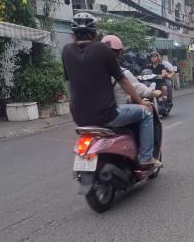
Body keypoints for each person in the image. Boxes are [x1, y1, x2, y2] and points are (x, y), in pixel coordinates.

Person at [62, 13, 161, 169]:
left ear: (73, 34)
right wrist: (141, 102)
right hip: (107, 115)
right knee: (146, 113)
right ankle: (146, 158)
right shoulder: (102, 50)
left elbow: (69, 81)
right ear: (94, 33)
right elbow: (123, 81)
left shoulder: (66, 51)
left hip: (79, 118)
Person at [101, 35, 162, 102]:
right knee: (146, 107)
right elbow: (139, 88)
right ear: (120, 53)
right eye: (152, 57)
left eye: (154, 57)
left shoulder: (95, 71)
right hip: (118, 107)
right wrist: (152, 92)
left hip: (97, 107)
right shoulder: (123, 73)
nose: (153, 58)